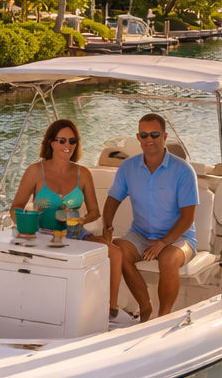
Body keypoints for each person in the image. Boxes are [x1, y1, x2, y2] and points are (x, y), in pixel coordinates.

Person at [103, 113, 199, 322]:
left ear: (164, 136)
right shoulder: (128, 168)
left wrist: (163, 243)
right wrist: (107, 229)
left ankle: (163, 317)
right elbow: (112, 200)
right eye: (144, 135)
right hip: (141, 234)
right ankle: (145, 308)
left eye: (155, 134)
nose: (149, 139)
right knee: (118, 251)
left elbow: (188, 217)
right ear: (138, 138)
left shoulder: (184, 171)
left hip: (179, 238)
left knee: (168, 259)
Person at [11, 121, 122, 289]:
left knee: (115, 253)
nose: (67, 145)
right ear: (51, 142)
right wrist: (26, 224)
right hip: (43, 235)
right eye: (62, 140)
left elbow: (94, 212)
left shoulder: (83, 173)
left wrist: (81, 221)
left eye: (72, 141)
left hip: (77, 233)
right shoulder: (35, 171)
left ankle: (111, 309)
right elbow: (16, 207)